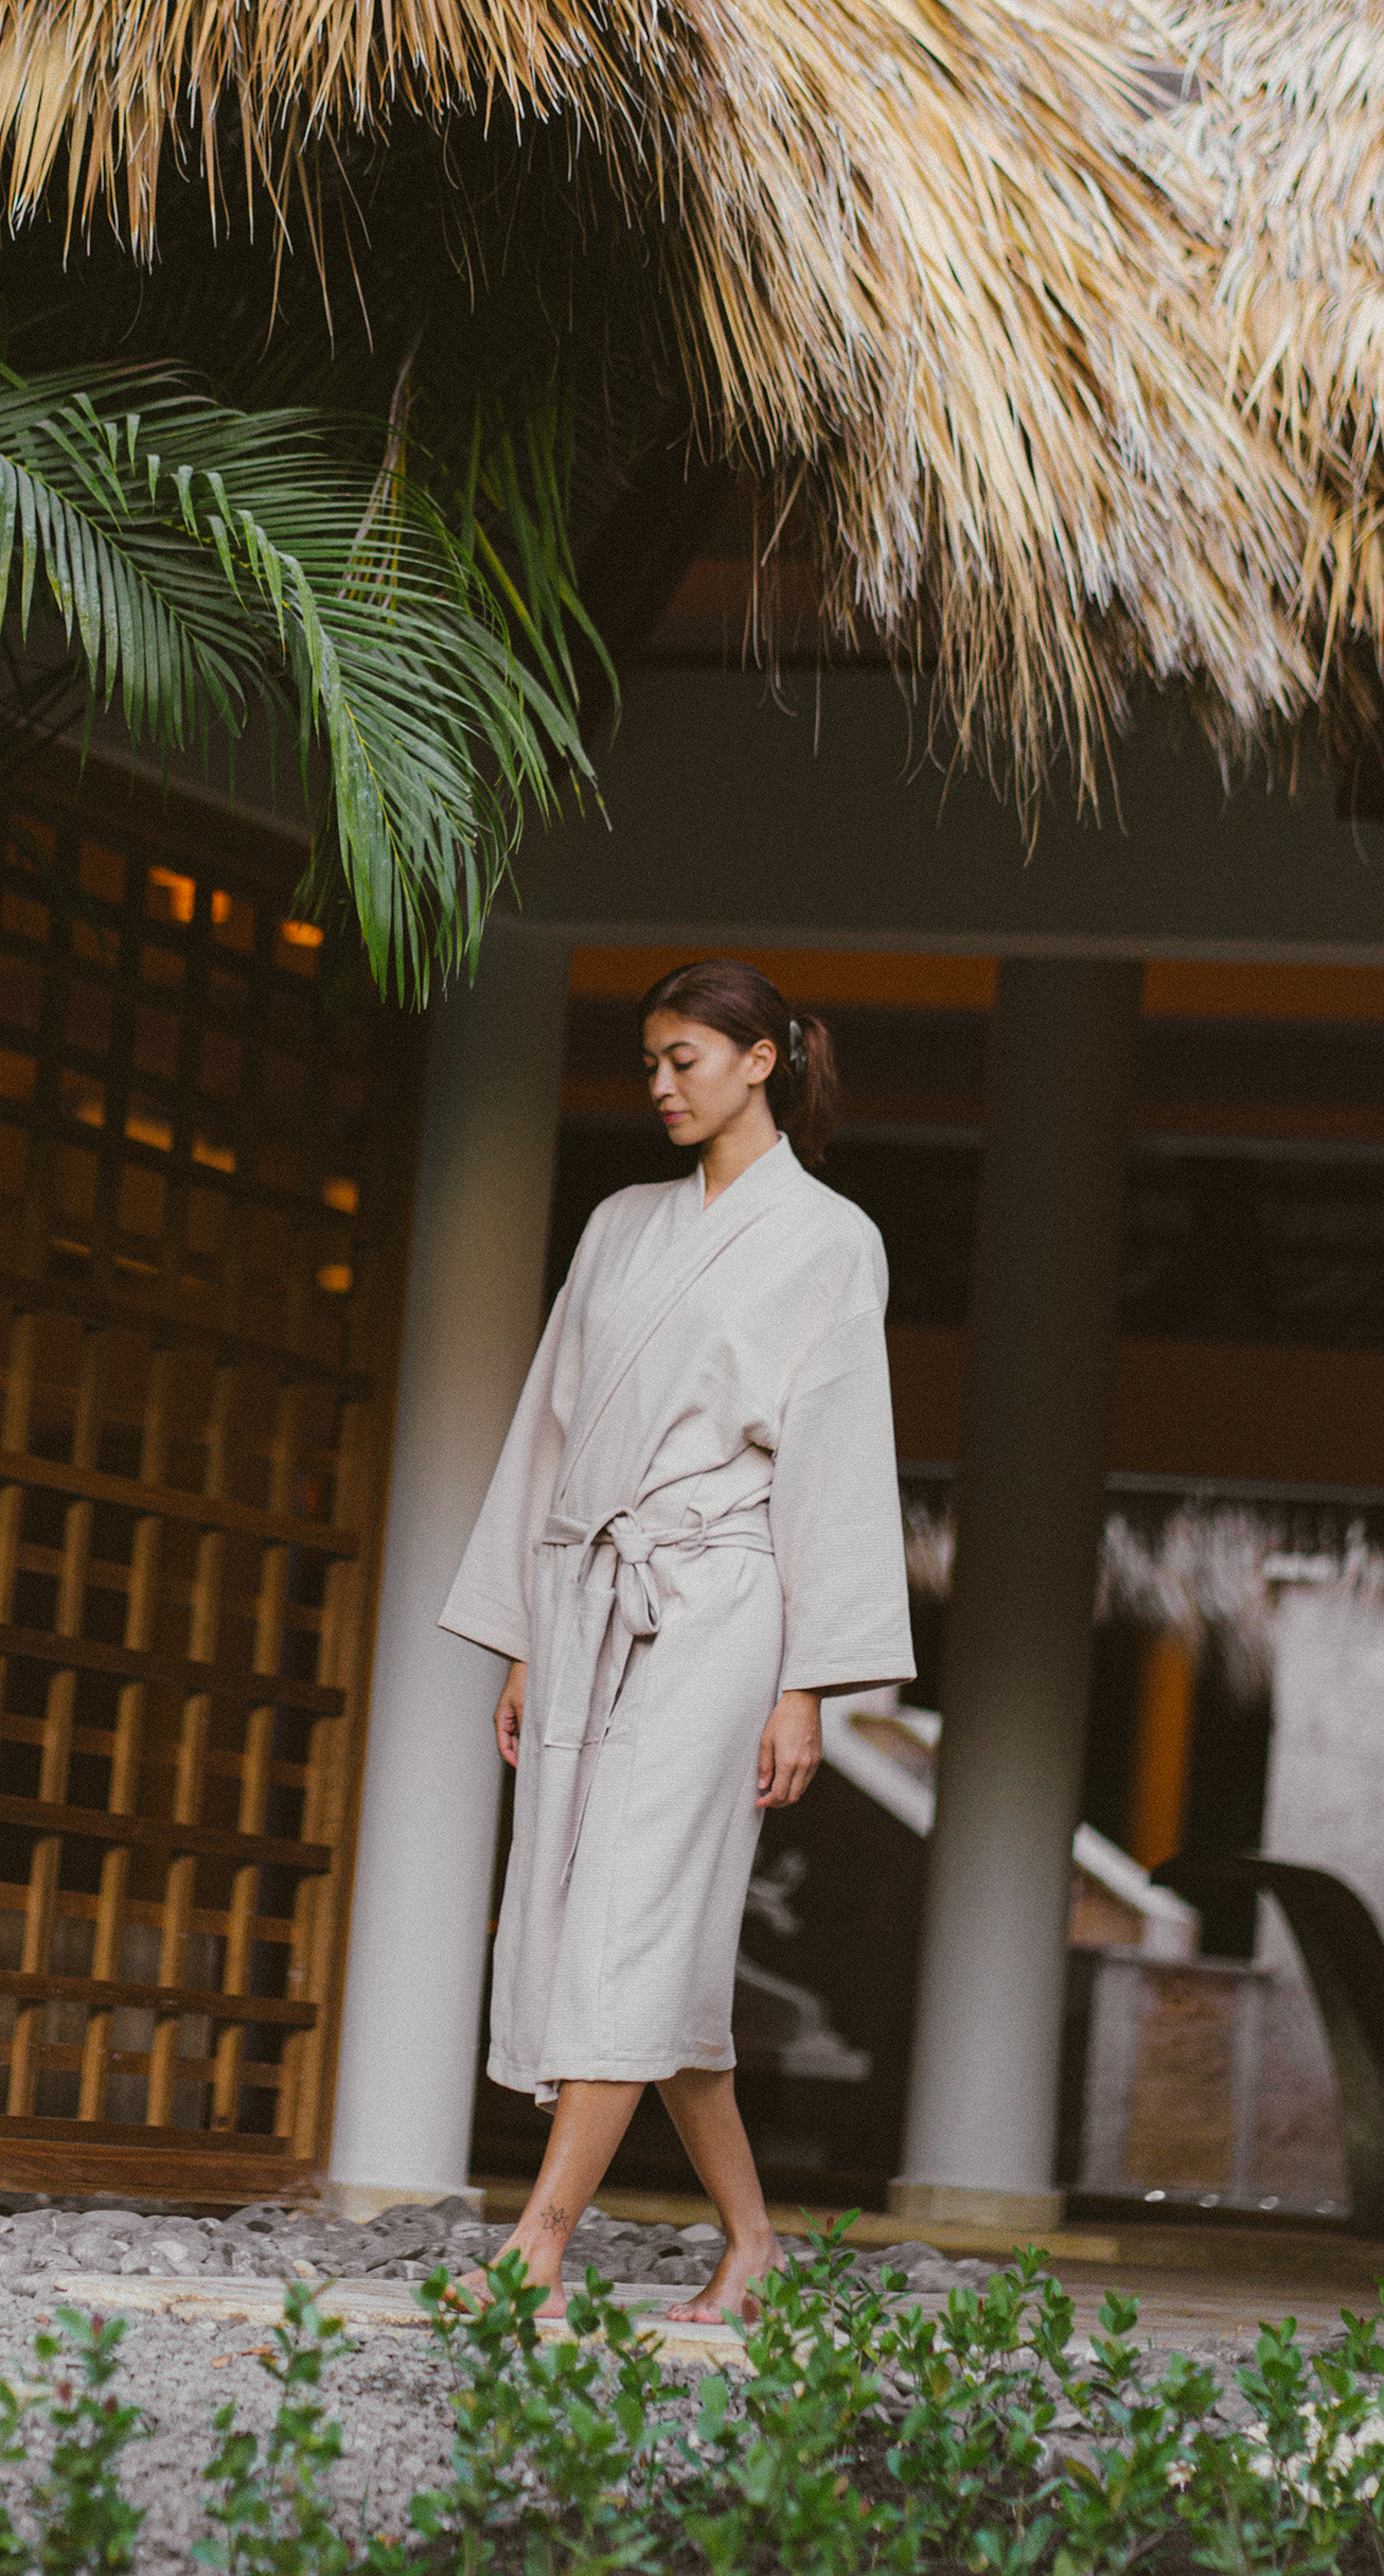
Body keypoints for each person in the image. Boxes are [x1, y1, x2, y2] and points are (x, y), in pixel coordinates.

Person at [440, 958, 913, 2325]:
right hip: (592, 1598)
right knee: (650, 1941)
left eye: (685, 1060)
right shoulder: (619, 1224)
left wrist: (807, 1688)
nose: (659, 1085)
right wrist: (524, 1636)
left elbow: (836, 1457)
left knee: (631, 1910)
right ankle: (754, 2243)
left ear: (761, 1061)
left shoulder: (831, 1239)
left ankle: (536, 2247)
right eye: (648, 1062)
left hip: (720, 1609)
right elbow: (553, 1422)